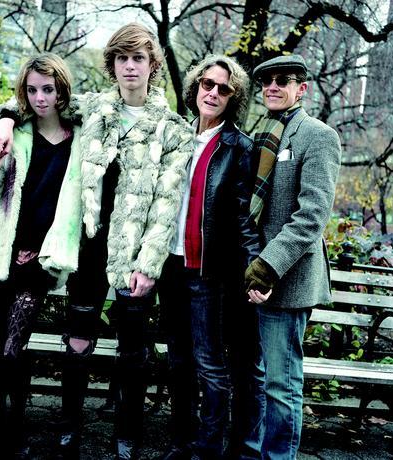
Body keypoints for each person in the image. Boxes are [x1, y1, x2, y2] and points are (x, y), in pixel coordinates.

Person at [0, 23, 194, 460]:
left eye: (138, 58)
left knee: (132, 348)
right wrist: (4, 121)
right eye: (121, 58)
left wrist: (148, 265)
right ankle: (68, 428)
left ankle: (127, 434)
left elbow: (166, 207)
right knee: (77, 341)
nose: (130, 66)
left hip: (134, 255)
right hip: (90, 249)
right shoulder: (93, 108)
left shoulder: (173, 129)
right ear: (112, 65)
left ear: (153, 65)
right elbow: (39, 101)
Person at [0, 53, 83, 459]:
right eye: (32, 89)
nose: (40, 98)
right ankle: (0, 435)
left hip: (38, 262)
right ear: (23, 93)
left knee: (12, 348)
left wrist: (43, 247)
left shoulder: (79, 138)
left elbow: (68, 206)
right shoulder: (10, 132)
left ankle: (16, 426)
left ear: (61, 90)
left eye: (48, 89)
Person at [157, 54, 268, 460]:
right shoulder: (178, 134)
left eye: (224, 89)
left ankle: (207, 448)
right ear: (195, 87)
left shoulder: (238, 146)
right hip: (169, 267)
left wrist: (256, 273)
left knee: (210, 366)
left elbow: (244, 217)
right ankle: (182, 441)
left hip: (208, 274)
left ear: (233, 98)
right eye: (208, 84)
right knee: (178, 362)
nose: (213, 92)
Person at [237, 54, 341, 459]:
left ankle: (279, 457)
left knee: (281, 384)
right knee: (253, 378)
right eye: (267, 82)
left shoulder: (317, 135)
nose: (273, 87)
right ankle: (252, 452)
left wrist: (267, 268)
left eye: (284, 80)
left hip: (284, 279)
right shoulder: (258, 132)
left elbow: (311, 216)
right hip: (248, 274)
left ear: (303, 88)